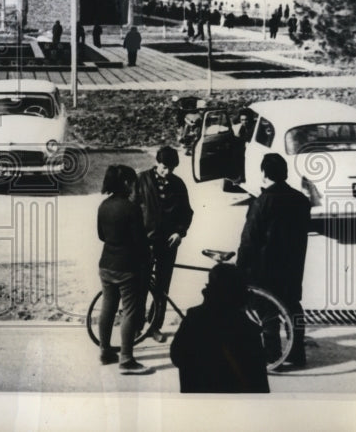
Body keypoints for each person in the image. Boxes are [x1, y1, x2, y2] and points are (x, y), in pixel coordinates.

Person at [236, 153, 311, 369]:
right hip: (293, 264)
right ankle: (297, 354)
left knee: (267, 310)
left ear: (264, 174)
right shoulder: (301, 200)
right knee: (292, 306)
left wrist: (241, 267)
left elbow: (249, 240)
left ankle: (272, 356)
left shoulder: (261, 202)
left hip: (265, 266)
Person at [170, 263, 269, 393]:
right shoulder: (248, 330)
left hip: (196, 399)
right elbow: (259, 383)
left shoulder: (193, 318)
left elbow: (177, 356)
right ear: (240, 294)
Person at [132, 146, 194, 343]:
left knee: (162, 286)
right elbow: (131, 210)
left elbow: (187, 212)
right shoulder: (141, 180)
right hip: (143, 244)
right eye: (164, 167)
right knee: (140, 285)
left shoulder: (178, 184)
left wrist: (179, 232)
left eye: (171, 169)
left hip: (168, 244)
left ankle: (155, 326)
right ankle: (136, 327)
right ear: (157, 163)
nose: (167, 172)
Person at [96, 165, 154, 375]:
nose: (134, 186)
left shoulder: (103, 205)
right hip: (127, 267)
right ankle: (127, 360)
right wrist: (147, 258)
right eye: (132, 182)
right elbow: (140, 242)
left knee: (108, 307)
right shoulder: (131, 208)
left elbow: (101, 235)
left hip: (106, 264)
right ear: (126, 183)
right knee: (130, 311)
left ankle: (105, 352)